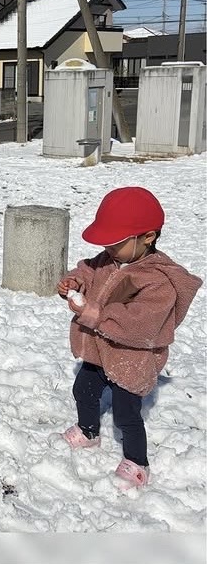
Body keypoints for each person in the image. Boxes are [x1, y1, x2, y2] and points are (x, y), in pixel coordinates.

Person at [57, 186, 202, 488]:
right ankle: (88, 431)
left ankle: (138, 463)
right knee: (83, 389)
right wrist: (75, 281)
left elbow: (141, 325)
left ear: (147, 237)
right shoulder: (110, 258)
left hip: (131, 360)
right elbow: (89, 270)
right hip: (99, 350)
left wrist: (96, 315)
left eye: (115, 242)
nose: (108, 248)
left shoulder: (157, 282)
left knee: (126, 415)